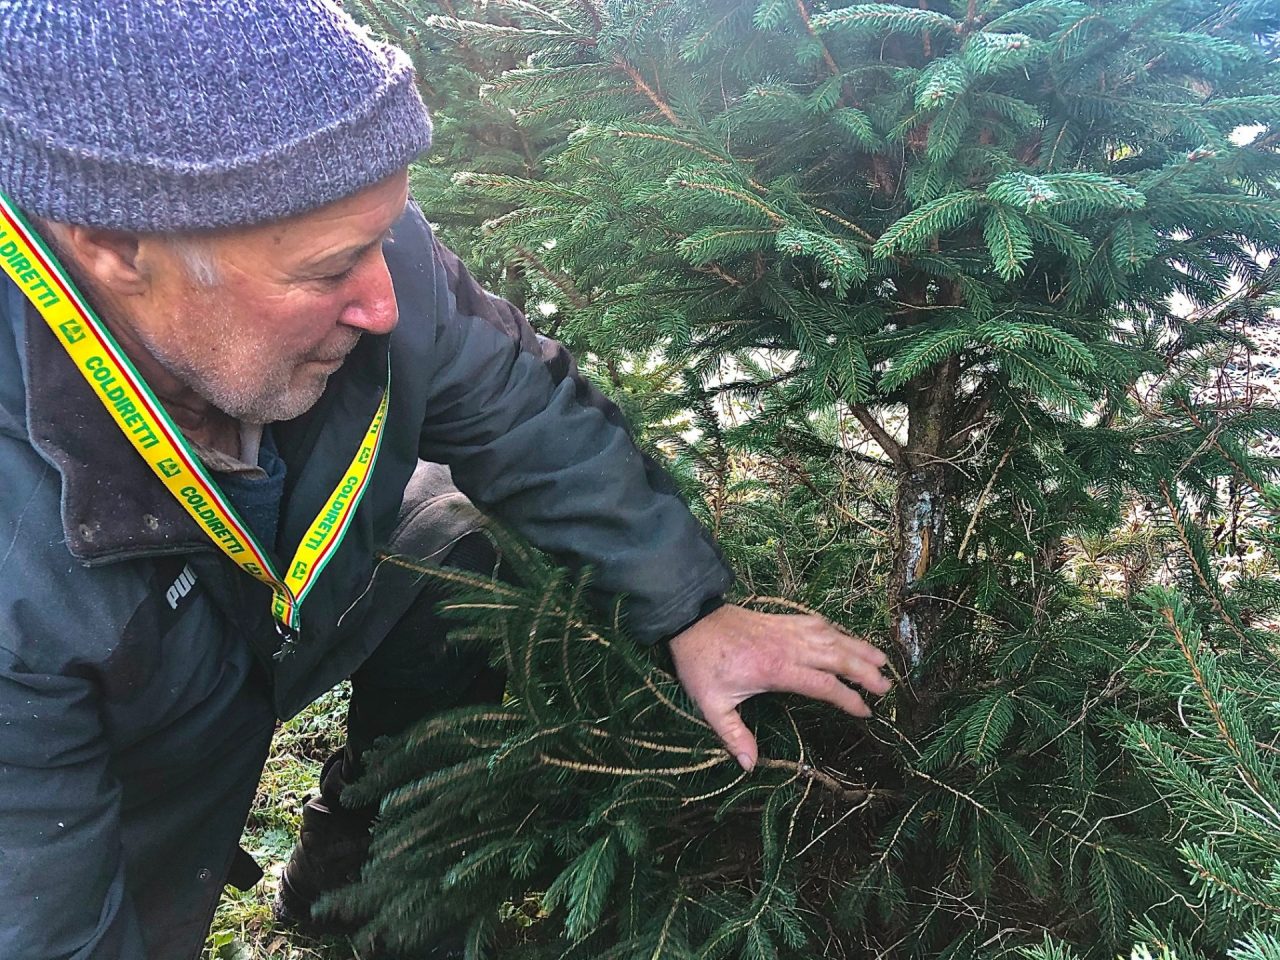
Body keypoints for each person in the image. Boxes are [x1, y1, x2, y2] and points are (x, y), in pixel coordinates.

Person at [0, 2, 893, 958]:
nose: (384, 302)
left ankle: (366, 877)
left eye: (388, 237)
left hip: (266, 617)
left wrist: (689, 609)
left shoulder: (365, 259)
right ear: (114, 245)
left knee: (458, 542)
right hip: (92, 714)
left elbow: (517, 402)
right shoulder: (20, 574)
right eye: (332, 268)